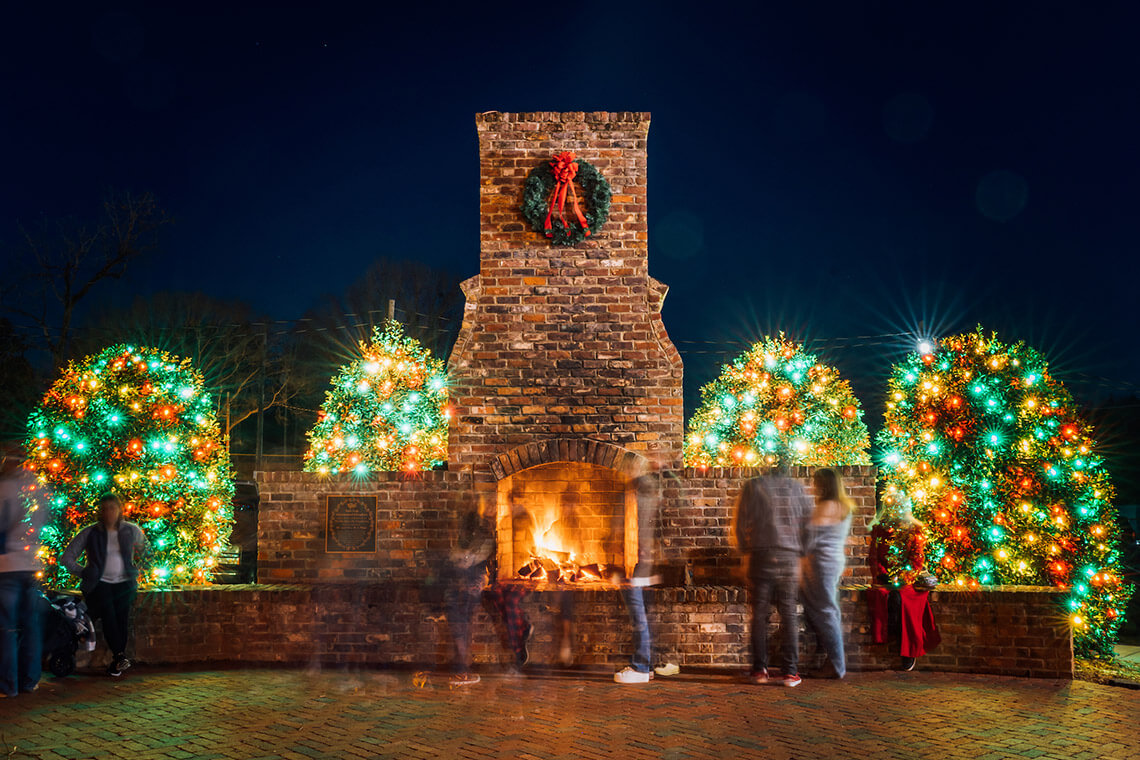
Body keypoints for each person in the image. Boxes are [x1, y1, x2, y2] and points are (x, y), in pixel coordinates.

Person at [735, 466, 813, 687]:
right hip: (788, 556)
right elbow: (808, 525)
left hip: (761, 554)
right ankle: (790, 672)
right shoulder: (798, 488)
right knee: (788, 613)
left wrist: (745, 548)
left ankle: (760, 670)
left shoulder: (753, 486)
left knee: (760, 614)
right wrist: (802, 551)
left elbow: (741, 522)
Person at [60, 493, 148, 677]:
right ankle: (120, 656)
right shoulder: (90, 533)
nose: (109, 513)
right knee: (108, 615)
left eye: (113, 508)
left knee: (121, 619)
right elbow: (67, 557)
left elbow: (147, 551)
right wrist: (84, 572)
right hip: (99, 585)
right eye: (105, 509)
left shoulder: (130, 530)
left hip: (124, 584)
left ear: (120, 510)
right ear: (100, 512)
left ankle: (118, 662)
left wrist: (137, 568)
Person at [867, 491, 940, 671]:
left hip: (908, 581)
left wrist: (900, 577)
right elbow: (874, 557)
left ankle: (908, 650)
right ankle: (889, 641)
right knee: (883, 598)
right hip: (885, 580)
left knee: (903, 603)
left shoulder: (914, 531)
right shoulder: (879, 529)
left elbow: (916, 560)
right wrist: (883, 575)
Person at [800, 468, 854, 679]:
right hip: (832, 562)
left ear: (823, 485)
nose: (813, 487)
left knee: (825, 612)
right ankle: (829, 658)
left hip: (821, 564)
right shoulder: (842, 506)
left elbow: (809, 540)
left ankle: (836, 665)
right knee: (822, 609)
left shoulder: (826, 507)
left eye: (816, 483)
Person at [0, 458, 46, 698]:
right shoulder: (34, 489)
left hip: (6, 565)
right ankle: (30, 680)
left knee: (6, 627)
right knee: (31, 625)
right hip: (30, 565)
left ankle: (9, 685)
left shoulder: (4, 488)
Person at [445, 505, 495, 686]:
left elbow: (466, 562)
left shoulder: (476, 542)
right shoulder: (475, 541)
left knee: (462, 627)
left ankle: (463, 669)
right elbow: (461, 562)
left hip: (466, 588)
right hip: (463, 589)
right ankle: (462, 671)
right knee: (462, 627)